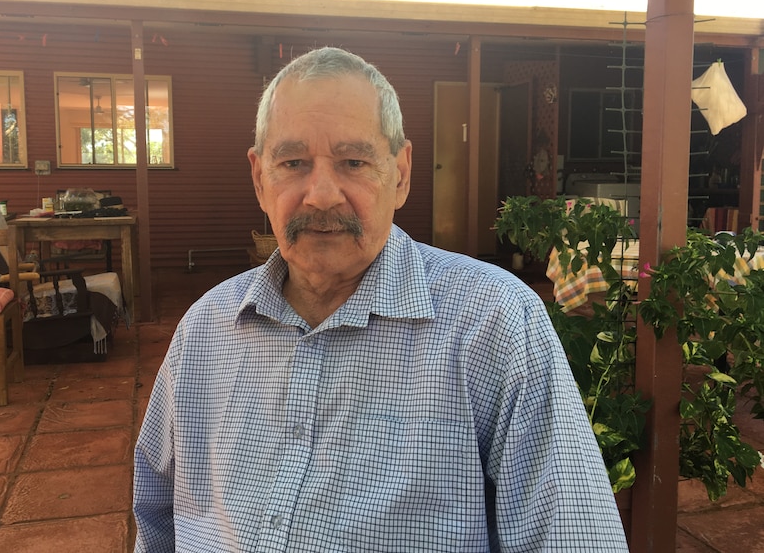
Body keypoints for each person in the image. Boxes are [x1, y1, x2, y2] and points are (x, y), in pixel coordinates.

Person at [133, 47, 629, 552]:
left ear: (401, 173)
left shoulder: (495, 323)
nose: (321, 194)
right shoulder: (205, 330)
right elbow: (156, 518)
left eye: (353, 161)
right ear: (261, 179)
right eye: (293, 162)